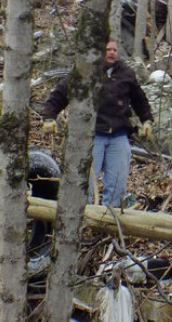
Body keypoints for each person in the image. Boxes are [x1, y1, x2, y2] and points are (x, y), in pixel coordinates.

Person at [41, 39, 153, 208]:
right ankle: (83, 222)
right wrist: (49, 117)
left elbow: (140, 100)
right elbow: (59, 95)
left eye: (115, 49)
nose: (112, 53)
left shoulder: (126, 73)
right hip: (91, 137)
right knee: (85, 185)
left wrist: (147, 121)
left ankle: (109, 222)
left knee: (117, 186)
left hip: (119, 136)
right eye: (108, 49)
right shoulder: (85, 72)